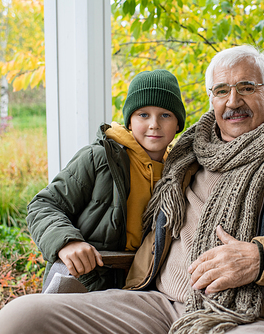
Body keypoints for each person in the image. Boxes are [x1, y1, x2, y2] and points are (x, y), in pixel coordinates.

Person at [0, 46, 264, 334]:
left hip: (255, 315)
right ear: (210, 99)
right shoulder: (187, 155)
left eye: (247, 87)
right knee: (18, 320)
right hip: (158, 303)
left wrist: (262, 258)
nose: (233, 100)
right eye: (221, 90)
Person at [26, 69, 186, 291]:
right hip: (89, 282)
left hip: (147, 287)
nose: (154, 124)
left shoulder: (181, 171)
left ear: (178, 124)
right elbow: (43, 205)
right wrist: (68, 242)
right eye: (143, 115)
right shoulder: (100, 157)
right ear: (129, 121)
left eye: (165, 115)